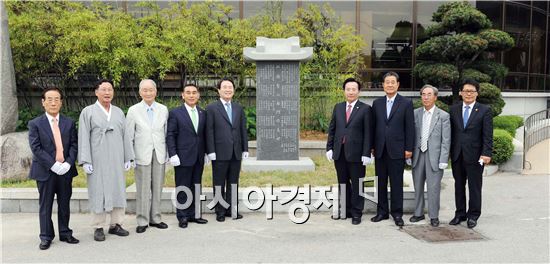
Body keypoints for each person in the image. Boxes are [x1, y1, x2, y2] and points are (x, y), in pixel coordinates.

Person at [78, 79, 134, 241]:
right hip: (97, 158)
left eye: (110, 89)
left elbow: (125, 136)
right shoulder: (87, 112)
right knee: (98, 191)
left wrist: (127, 157)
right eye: (103, 89)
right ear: (96, 92)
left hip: (116, 157)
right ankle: (98, 226)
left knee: (118, 189)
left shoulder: (118, 112)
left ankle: (116, 224)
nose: (107, 93)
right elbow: (83, 136)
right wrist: (85, 160)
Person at [28, 87, 79, 250]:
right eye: (49, 99)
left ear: (61, 102)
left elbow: (74, 145)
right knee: (46, 205)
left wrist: (68, 163)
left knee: (64, 204)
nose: (53, 102)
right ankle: (46, 236)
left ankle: (65, 233)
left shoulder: (69, 122)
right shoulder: (35, 123)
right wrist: (53, 165)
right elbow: (36, 148)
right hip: (45, 171)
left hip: (65, 170)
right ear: (43, 102)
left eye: (56, 99)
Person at [326, 78, 373, 225]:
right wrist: (329, 148)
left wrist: (366, 153)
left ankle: (356, 213)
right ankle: (345, 210)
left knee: (358, 183)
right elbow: (332, 129)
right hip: (339, 153)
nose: (351, 92)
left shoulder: (365, 109)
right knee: (343, 183)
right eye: (348, 89)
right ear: (344, 91)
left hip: (357, 154)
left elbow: (368, 133)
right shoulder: (338, 107)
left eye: (354, 89)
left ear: (358, 91)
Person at [371, 71, 415, 227]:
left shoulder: (406, 103)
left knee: (396, 183)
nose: (389, 84)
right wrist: (372, 146)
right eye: (386, 82)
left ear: (398, 85)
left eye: (392, 82)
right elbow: (373, 127)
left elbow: (410, 128)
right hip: (380, 150)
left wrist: (409, 148)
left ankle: (397, 213)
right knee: (380, 182)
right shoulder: (377, 103)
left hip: (398, 149)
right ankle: (381, 212)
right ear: (383, 85)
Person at [125, 79, 169, 233]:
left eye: (151, 90)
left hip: (159, 153)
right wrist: (130, 157)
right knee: (143, 189)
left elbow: (166, 132)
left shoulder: (163, 109)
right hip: (141, 154)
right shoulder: (133, 110)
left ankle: (156, 218)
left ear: (156, 92)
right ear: (140, 92)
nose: (148, 93)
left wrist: (168, 153)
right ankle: (142, 220)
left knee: (158, 187)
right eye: (145, 90)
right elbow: (129, 135)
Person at [449, 79, 493, 229]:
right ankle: (459, 213)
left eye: (472, 91)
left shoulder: (484, 110)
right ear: (460, 93)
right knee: (459, 186)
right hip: (457, 154)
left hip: (476, 156)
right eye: (466, 91)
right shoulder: (454, 109)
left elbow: (488, 135)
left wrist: (486, 153)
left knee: (474, 186)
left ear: (477, 93)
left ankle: (473, 215)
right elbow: (451, 133)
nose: (469, 94)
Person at [166, 84, 209, 228]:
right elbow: (171, 134)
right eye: (188, 93)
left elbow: (204, 135)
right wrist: (173, 154)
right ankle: (183, 216)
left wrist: (207, 153)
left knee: (196, 186)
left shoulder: (203, 113)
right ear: (183, 95)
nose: (191, 95)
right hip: (182, 157)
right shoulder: (175, 113)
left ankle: (194, 214)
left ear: (198, 95)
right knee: (183, 187)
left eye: (194, 93)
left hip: (198, 157)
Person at [206, 78, 249, 222]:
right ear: (218, 90)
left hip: (236, 152)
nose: (228, 89)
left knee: (233, 182)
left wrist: (245, 148)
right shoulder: (212, 108)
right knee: (219, 183)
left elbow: (243, 129)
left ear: (234, 90)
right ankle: (220, 211)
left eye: (230, 87)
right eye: (224, 87)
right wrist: (210, 150)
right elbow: (209, 131)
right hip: (219, 152)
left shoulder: (238, 107)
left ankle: (232, 210)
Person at [410, 85, 450, 227]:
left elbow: (446, 140)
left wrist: (443, 159)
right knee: (418, 185)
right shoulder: (415, 113)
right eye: (423, 94)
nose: (425, 97)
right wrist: (409, 153)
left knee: (433, 187)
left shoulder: (443, 116)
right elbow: (411, 135)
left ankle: (434, 216)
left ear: (435, 97)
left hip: (435, 157)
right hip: (418, 154)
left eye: (429, 94)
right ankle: (418, 213)